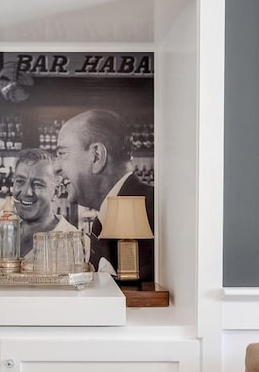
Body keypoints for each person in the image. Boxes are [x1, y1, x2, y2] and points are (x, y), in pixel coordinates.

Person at [53, 109, 154, 280]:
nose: (56, 167)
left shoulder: (149, 211)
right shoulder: (110, 214)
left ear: (96, 157)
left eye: (62, 154)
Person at [11, 148, 76, 259]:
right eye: (20, 182)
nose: (27, 192)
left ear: (56, 192)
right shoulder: (7, 233)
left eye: (38, 184)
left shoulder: (73, 240)